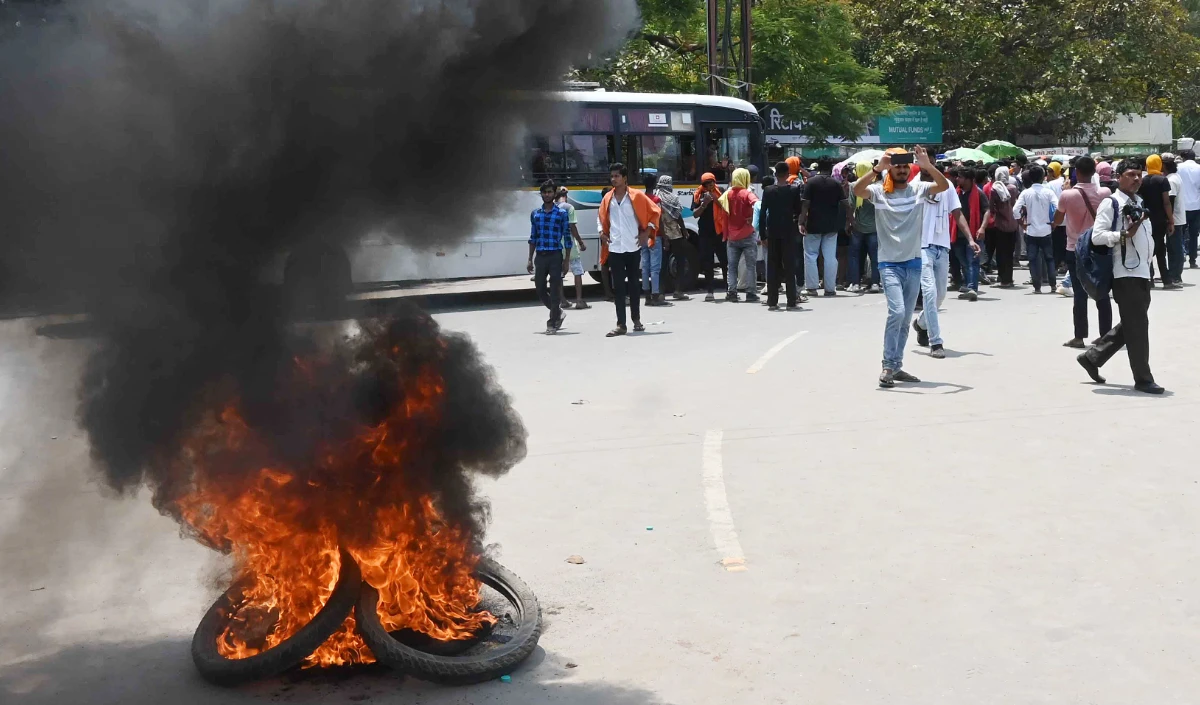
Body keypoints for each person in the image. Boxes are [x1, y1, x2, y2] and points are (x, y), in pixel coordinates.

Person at [852, 146, 951, 388]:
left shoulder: (919, 190)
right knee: (896, 313)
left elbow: (944, 186)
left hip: (914, 264)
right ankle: (887, 365)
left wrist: (927, 166)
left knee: (906, 319)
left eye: (906, 166)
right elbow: (856, 189)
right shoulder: (878, 192)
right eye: (897, 165)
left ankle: (896, 366)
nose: (902, 169)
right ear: (890, 168)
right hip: (889, 265)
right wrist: (877, 169)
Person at [1076, 161, 1164, 394]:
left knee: (1132, 323)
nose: (1136, 179)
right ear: (1118, 177)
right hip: (1125, 273)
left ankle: (1092, 358)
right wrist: (1123, 234)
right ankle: (1143, 378)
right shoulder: (1111, 203)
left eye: (1139, 175)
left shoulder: (1138, 202)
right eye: (1130, 175)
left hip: (1142, 271)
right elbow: (1097, 236)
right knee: (1138, 328)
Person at [913, 166, 974, 358]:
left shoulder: (947, 186)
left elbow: (957, 213)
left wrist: (970, 239)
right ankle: (936, 341)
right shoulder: (913, 186)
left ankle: (921, 323)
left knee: (940, 295)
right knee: (929, 293)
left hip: (942, 246)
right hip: (921, 247)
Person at [1053, 156, 1112, 348]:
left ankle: (1079, 337)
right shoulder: (1105, 192)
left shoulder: (1067, 195)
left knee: (1079, 294)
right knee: (1102, 292)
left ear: (1076, 172)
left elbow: (1057, 219)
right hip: (1099, 247)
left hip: (1075, 248)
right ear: (1094, 172)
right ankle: (1106, 336)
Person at [598, 163, 661, 337]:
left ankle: (636, 319)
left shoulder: (637, 196)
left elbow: (655, 211)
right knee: (618, 287)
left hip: (632, 247)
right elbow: (600, 217)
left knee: (634, 285)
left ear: (625, 178)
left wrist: (647, 232)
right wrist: (601, 233)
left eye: (617, 176)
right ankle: (621, 324)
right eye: (612, 176)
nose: (613, 179)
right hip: (615, 248)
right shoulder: (607, 198)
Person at [527, 180, 572, 333]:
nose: (547, 194)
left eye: (550, 192)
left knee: (554, 289)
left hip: (555, 256)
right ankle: (558, 312)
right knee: (539, 287)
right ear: (541, 194)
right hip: (540, 256)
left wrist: (566, 261)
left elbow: (567, 237)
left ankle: (552, 322)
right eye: (544, 192)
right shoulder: (536, 214)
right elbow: (533, 237)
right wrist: (529, 259)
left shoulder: (561, 214)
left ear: (554, 194)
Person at [759, 161, 804, 310]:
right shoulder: (793, 190)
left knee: (773, 267)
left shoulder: (768, 190)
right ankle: (791, 301)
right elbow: (798, 211)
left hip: (772, 232)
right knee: (789, 267)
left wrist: (763, 235)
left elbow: (763, 213)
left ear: (775, 174)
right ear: (787, 174)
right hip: (789, 232)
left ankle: (772, 302)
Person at [800, 157, 844, 297]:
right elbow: (845, 204)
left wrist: (801, 221)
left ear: (818, 167)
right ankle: (830, 288)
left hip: (813, 224)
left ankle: (812, 288)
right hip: (832, 225)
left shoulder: (811, 183)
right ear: (831, 167)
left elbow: (805, 203)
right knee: (830, 257)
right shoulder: (836, 183)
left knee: (811, 256)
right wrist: (850, 220)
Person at [1014, 165, 1059, 293]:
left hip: (1031, 230)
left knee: (1033, 260)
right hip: (1046, 229)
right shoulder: (1048, 192)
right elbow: (1058, 207)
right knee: (1049, 258)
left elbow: (1015, 210)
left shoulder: (1025, 193)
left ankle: (1037, 287)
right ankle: (1053, 285)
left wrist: (1021, 224)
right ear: (1043, 177)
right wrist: (1054, 222)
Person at [718, 167, 759, 303]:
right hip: (747, 235)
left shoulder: (727, 195)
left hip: (732, 236)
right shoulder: (747, 193)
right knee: (750, 266)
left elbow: (722, 212)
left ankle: (732, 292)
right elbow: (757, 204)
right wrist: (753, 217)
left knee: (732, 266)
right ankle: (751, 293)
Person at [1138, 154, 1178, 289]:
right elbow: (1166, 202)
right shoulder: (1162, 180)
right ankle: (1166, 280)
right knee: (1160, 249)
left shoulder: (1142, 181)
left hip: (1146, 219)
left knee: (1148, 248)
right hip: (1160, 219)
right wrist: (1171, 221)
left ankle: (1149, 278)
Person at [693, 173, 728, 301]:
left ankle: (729, 289)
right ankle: (710, 291)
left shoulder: (721, 192)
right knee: (707, 263)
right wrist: (704, 204)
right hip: (705, 234)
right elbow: (695, 214)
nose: (710, 185)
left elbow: (726, 208)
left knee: (725, 261)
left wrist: (714, 198)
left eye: (711, 182)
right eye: (707, 184)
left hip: (719, 232)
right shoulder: (698, 195)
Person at [952, 168, 986, 300]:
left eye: (960, 177)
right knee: (964, 262)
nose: (957, 179)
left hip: (974, 233)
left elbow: (987, 211)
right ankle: (968, 285)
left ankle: (972, 288)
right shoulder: (956, 193)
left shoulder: (979, 193)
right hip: (957, 233)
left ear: (969, 180)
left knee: (973, 261)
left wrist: (982, 228)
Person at [656, 175, 691, 302]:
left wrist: (664, 236)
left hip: (661, 234)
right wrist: (684, 229)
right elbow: (678, 216)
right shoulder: (673, 198)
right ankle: (678, 290)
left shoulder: (656, 197)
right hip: (675, 235)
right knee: (680, 262)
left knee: (662, 264)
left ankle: (660, 293)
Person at [984, 165, 1020, 287]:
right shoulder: (1013, 188)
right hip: (1013, 222)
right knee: (1010, 252)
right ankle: (1009, 278)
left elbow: (991, 207)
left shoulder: (995, 189)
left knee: (1001, 253)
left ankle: (1003, 279)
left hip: (1000, 224)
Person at [849, 161, 881, 293]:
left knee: (855, 256)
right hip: (874, 227)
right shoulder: (877, 187)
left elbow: (851, 205)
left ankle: (855, 283)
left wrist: (850, 222)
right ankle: (875, 283)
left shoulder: (853, 186)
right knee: (875, 257)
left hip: (858, 226)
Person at [556, 186, 589, 310]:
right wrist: (580, 242)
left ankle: (563, 300)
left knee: (559, 274)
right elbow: (572, 227)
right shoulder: (569, 208)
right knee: (577, 271)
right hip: (570, 244)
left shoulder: (553, 208)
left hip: (558, 245)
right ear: (566, 196)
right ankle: (579, 300)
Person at [641, 174, 668, 306]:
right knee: (655, 268)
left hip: (642, 236)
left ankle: (647, 296)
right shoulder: (656, 199)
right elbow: (659, 219)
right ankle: (656, 295)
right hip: (654, 235)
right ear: (654, 185)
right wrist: (665, 236)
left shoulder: (640, 199)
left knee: (645, 266)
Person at [1164, 154, 1188, 284]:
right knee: (1173, 247)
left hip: (1175, 219)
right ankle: (1172, 272)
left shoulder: (1171, 180)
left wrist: (1169, 220)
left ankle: (1176, 275)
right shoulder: (1174, 177)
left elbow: (1170, 201)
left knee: (1175, 247)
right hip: (1177, 218)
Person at [1178, 150, 1200, 268]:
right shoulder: (1199, 168)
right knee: (1193, 234)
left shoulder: (1179, 168)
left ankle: (1181, 255)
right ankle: (1193, 260)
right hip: (1196, 206)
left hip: (1182, 206)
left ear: (1184, 158)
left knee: (1180, 233)